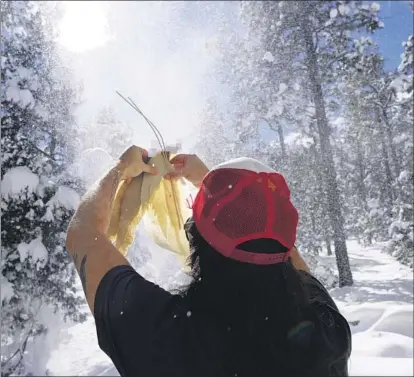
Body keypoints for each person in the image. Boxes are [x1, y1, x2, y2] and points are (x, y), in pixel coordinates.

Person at [66, 145, 351, 377]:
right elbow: (282, 251)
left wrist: (120, 169)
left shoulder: (171, 338)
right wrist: (217, 186)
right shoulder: (328, 333)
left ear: (196, 238)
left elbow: (82, 233)